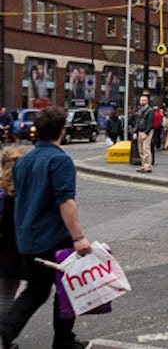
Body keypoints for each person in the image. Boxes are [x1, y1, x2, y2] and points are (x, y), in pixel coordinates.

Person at [0, 106, 92, 349]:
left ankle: (7, 331)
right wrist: (78, 237)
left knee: (37, 290)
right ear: (62, 130)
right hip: (53, 238)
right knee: (67, 288)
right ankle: (62, 340)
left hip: (27, 238)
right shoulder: (59, 160)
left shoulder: (23, 161)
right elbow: (65, 201)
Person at [0, 146, 26, 320]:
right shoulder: (24, 192)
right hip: (16, 248)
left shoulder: (2, 190)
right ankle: (5, 336)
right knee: (8, 294)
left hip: (3, 246)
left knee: (5, 293)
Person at [132, 93, 155, 173]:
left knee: (146, 149)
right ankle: (143, 165)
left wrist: (146, 132)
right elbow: (137, 122)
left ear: (147, 101)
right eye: (141, 100)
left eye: (144, 100)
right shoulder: (140, 110)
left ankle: (147, 166)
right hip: (140, 131)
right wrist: (135, 132)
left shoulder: (150, 110)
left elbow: (150, 122)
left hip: (146, 131)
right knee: (140, 150)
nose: (142, 101)